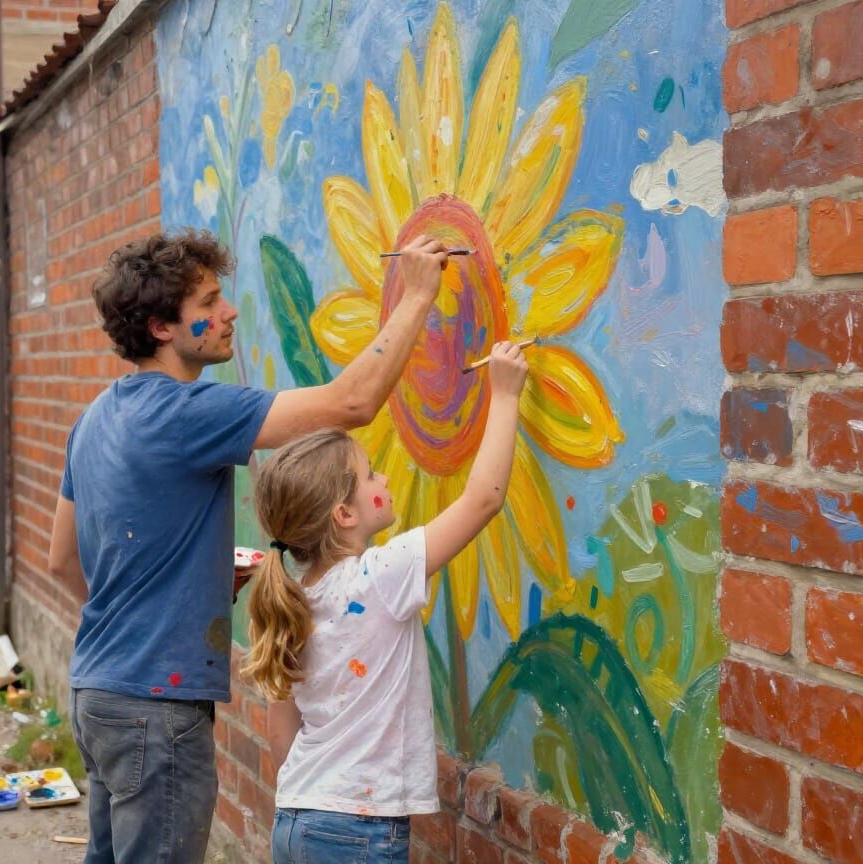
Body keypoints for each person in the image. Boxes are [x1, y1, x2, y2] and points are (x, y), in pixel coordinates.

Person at [47, 227, 450, 863]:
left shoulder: (95, 418)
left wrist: (160, 600)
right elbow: (353, 402)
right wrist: (418, 297)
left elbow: (63, 560)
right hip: (157, 706)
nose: (228, 311)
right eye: (208, 304)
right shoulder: (185, 411)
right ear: (161, 328)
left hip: (98, 691)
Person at [244, 340, 529, 864]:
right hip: (357, 830)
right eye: (372, 474)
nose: (385, 479)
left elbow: (281, 734)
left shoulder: (291, 598)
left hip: (297, 818)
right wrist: (505, 394)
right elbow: (483, 499)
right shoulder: (379, 576)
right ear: (344, 515)